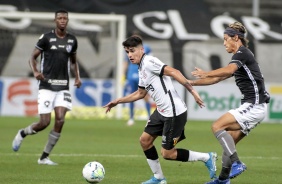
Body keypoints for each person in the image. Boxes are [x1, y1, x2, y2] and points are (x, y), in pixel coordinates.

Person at [104, 36, 217, 184]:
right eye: (127, 52)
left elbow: (174, 71)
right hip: (161, 112)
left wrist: (193, 91)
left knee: (167, 154)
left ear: (141, 50)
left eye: (132, 51)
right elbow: (141, 93)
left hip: (174, 113)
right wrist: (118, 101)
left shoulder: (150, 62)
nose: (130, 55)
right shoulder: (141, 68)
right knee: (145, 141)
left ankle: (207, 157)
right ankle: (158, 178)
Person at [190, 21, 270, 184]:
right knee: (229, 143)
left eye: (226, 39)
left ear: (236, 38)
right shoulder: (240, 57)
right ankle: (223, 180)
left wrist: (206, 73)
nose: (224, 42)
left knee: (217, 126)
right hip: (254, 106)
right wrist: (189, 83)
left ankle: (238, 163)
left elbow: (228, 71)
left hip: (254, 105)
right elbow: (218, 78)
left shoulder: (242, 53)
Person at [12, 9, 82, 165]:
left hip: (63, 86)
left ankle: (44, 157)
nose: (63, 20)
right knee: (44, 122)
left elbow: (73, 61)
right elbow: (32, 57)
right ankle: (22, 133)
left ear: (67, 20)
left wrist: (77, 77)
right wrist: (36, 71)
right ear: (55, 20)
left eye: (65, 18)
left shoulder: (72, 40)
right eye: (60, 18)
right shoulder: (46, 38)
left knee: (60, 119)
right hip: (46, 86)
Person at [123, 33, 153, 126]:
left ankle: (149, 118)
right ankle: (131, 118)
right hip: (131, 76)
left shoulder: (146, 48)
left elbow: (150, 60)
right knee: (131, 97)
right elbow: (125, 62)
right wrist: (123, 76)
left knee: (145, 96)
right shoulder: (129, 49)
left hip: (142, 75)